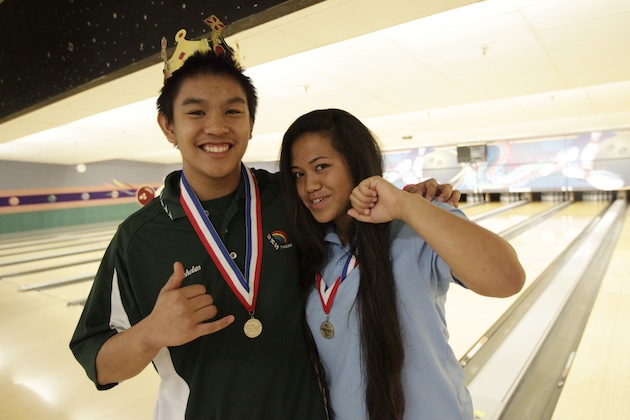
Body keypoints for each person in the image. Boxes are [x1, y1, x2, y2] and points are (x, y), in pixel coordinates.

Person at [70, 18, 460, 420]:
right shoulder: (138, 238)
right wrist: (149, 333)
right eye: (196, 112)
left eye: (232, 111)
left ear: (251, 124)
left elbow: (361, 201)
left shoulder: (293, 197)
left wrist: (423, 200)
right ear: (168, 126)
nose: (217, 126)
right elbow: (98, 363)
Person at [278, 109, 526, 420]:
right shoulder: (312, 252)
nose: (309, 185)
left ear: (356, 163)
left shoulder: (414, 226)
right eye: (299, 174)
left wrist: (407, 206)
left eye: (322, 167)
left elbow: (507, 279)